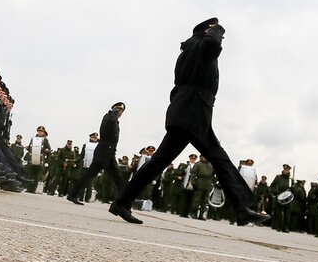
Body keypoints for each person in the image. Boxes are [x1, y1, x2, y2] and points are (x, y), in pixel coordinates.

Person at [108, 19, 269, 226]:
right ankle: (242, 209)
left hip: (188, 111)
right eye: (217, 34)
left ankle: (121, 202)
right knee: (219, 159)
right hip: (193, 112)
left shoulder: (190, 48)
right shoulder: (200, 46)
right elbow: (212, 45)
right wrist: (218, 30)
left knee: (160, 162)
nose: (221, 39)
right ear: (207, 31)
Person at [66, 102, 128, 206]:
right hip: (103, 153)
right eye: (118, 109)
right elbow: (112, 119)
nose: (119, 112)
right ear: (113, 109)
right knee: (90, 174)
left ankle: (124, 200)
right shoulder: (109, 117)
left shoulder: (114, 120)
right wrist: (114, 112)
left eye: (121, 111)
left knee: (118, 177)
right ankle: (73, 194)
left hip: (109, 153)